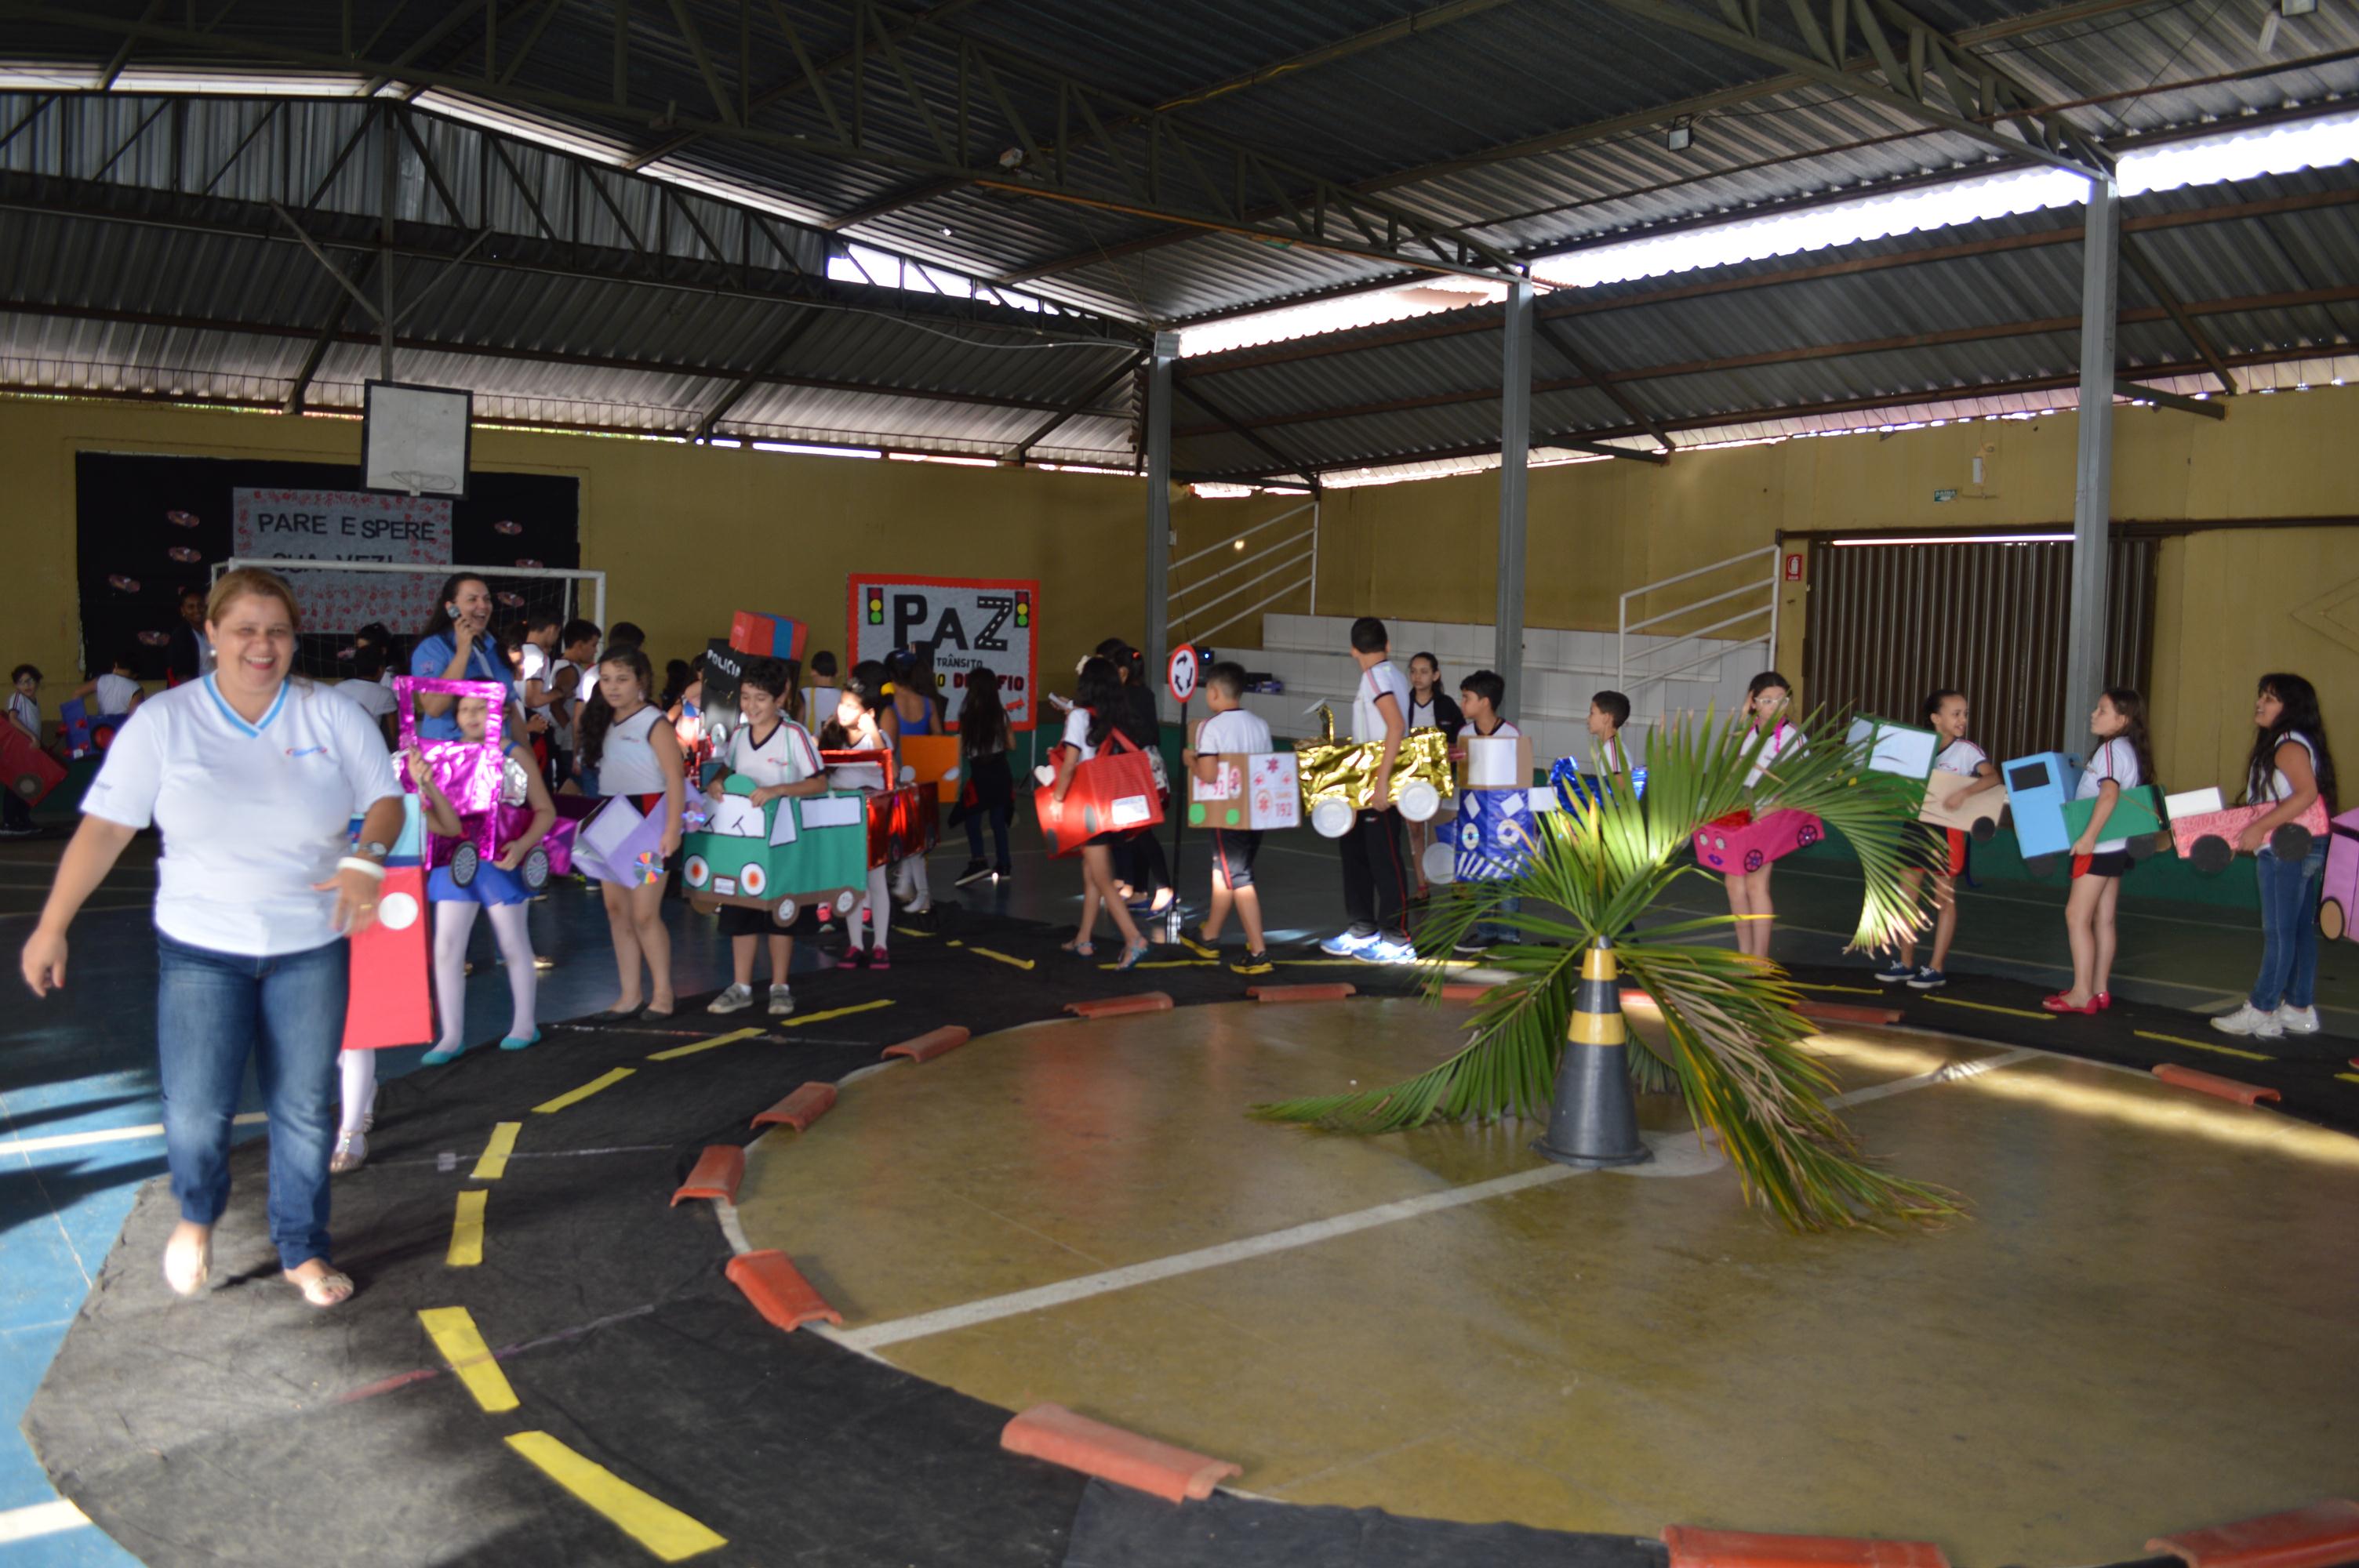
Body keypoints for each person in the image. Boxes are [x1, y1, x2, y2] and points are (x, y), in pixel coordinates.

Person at [21, 567, 404, 1309]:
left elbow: (384, 799)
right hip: (201, 949)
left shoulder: (330, 714)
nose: (262, 645)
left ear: (295, 638)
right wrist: (52, 925)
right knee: (198, 1108)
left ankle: (302, 1248)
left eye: (278, 631)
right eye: (245, 630)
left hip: (309, 946)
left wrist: (367, 858)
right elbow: (105, 829)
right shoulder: (165, 720)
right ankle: (196, 1218)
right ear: (212, 635)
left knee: (303, 1107)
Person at [2212, 673, 2336, 1040]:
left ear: (2291, 707)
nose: (2260, 703)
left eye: (2270, 698)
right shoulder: (2296, 743)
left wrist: (2259, 828)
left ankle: (2262, 1008)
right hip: (2303, 843)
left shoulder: (2287, 745)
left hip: (2285, 847)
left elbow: (2306, 794)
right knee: (2297, 931)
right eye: (2261, 696)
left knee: (2279, 932)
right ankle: (2298, 1008)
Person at [706, 657, 828, 1016]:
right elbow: (729, 768)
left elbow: (819, 783)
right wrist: (718, 782)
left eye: (760, 698)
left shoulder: (794, 736)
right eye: (746, 697)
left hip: (783, 843)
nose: (751, 705)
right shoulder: (740, 736)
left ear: (780, 698)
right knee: (740, 913)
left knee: (780, 916)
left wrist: (778, 790)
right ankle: (741, 986)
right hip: (742, 843)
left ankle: (779, 986)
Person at [577, 644, 685, 1018]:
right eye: (606, 679)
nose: (613, 686)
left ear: (641, 681)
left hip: (649, 823)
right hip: (612, 820)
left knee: (644, 913)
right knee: (616, 910)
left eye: (622, 679)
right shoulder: (601, 720)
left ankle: (664, 994)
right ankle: (629, 995)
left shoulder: (654, 722)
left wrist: (671, 829)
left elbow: (675, 777)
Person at [1876, 690, 1998, 991]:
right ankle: (1905, 963)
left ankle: (1936, 967)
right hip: (1915, 827)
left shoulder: (1967, 751)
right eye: (1956, 714)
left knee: (1944, 900)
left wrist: (1964, 793)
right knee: (1907, 898)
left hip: (1947, 831)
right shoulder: (1918, 747)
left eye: (1965, 713)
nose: (1963, 719)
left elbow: (1993, 777)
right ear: (1935, 718)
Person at [2043, 688, 2154, 1014]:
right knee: (2103, 919)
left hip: (2100, 845)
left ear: (2123, 719)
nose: (2094, 714)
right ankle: (2099, 989)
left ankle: (2081, 993)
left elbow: (2109, 795)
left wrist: (2088, 837)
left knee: (2076, 916)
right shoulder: (2129, 749)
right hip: (2117, 846)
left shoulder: (2111, 749)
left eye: (2102, 710)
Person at [1321, 616, 1415, 963]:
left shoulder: (1377, 677)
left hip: (1379, 782)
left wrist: (1382, 782)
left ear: (1353, 650)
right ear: (1387, 644)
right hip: (1363, 782)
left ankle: (1397, 938)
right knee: (1355, 852)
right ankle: (1362, 928)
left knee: (1384, 859)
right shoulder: (1392, 675)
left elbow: (1396, 726)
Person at [1055, 656, 1150, 970]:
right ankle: (1083, 938)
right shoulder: (1118, 717)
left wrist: (1057, 798)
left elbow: (1070, 765)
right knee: (1091, 873)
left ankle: (1133, 938)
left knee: (1103, 878)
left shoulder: (1080, 717)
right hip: (1113, 806)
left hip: (1089, 807)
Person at [1184, 661, 1273, 973]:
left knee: (1239, 878)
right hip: (1256, 811)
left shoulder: (1212, 727)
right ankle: (1209, 936)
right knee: (1224, 872)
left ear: (1213, 692)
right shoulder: (1260, 725)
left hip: (1226, 812)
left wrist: (1190, 758)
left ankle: (1259, 952)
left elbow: (1208, 774)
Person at [1724, 671, 1802, 961]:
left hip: (1770, 817)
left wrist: (1766, 811)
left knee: (1756, 884)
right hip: (1741, 815)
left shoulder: (1793, 736)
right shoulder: (1745, 731)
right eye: (1767, 700)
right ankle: (1745, 954)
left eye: (1781, 700)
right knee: (1734, 884)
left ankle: (1760, 959)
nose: (1775, 706)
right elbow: (1731, 771)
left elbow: (1798, 785)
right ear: (1753, 702)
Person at [1453, 669, 1528, 954]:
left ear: (1485, 702)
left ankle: (1509, 936)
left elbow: (1522, 782)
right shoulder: (1464, 734)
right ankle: (1486, 931)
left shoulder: (1512, 735)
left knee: (1507, 878)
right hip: (1475, 820)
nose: (1462, 703)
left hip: (1506, 820)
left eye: (1467, 698)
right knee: (1481, 876)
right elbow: (1463, 779)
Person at [833, 662, 900, 969]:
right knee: (851, 881)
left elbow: (890, 768)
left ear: (869, 713)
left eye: (851, 706)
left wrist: (874, 732)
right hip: (843, 816)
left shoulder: (878, 737)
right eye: (842, 704)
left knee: (876, 881)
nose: (843, 711)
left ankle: (881, 945)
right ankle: (855, 944)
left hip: (872, 819)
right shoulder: (833, 735)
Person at [411, 573, 523, 742]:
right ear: (452, 609)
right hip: (451, 754)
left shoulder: (494, 646)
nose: (483, 605)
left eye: (487, 599)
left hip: (496, 753)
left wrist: (527, 756)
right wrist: (463, 651)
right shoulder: (433, 648)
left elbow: (512, 712)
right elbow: (434, 707)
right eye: (472, 600)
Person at [1404, 652, 1464, 898]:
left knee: (1446, 830)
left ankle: (1455, 881)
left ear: (1435, 675)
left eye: (1424, 671)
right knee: (1415, 831)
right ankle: (1422, 885)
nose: (1417, 676)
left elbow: (1461, 738)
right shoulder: (1402, 703)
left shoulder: (1447, 705)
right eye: (1413, 671)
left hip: (1442, 779)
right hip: (1410, 780)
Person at [885, 648, 938, 917]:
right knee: (912, 836)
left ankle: (914, 888)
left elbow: (887, 744)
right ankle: (910, 886)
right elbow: (939, 740)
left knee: (906, 836)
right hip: (920, 775)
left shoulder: (889, 704)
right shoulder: (927, 703)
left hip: (897, 775)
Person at [951, 673, 1015, 887]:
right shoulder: (1001, 715)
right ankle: (1004, 865)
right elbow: (1012, 744)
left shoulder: (967, 716)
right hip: (1000, 770)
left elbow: (962, 749)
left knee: (972, 817)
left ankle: (978, 860)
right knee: (998, 820)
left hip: (980, 773)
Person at [547, 618, 600, 788]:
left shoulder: (568, 667)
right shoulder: (570, 671)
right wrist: (569, 729)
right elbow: (555, 704)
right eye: (593, 645)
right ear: (579, 645)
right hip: (569, 745)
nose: (596, 650)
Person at [4, 664, 43, 837]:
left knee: (28, 785)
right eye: (21, 682)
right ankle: (10, 822)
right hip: (19, 749)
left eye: (30, 681)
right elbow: (12, 718)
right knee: (16, 786)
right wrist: (31, 737)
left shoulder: (34, 701)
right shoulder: (18, 698)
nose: (26, 685)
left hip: (30, 750)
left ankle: (22, 819)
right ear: (16, 686)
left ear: (37, 682)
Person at [336, 643, 398, 743]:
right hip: (368, 746)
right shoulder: (385, 694)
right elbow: (393, 734)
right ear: (380, 669)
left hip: (337, 744)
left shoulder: (339, 687)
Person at [71, 652, 145, 720]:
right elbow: (134, 718)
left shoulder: (101, 680)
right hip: (121, 727)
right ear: (136, 674)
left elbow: (77, 693)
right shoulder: (136, 689)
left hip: (102, 726)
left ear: (116, 665)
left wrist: (79, 720)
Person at [164, 585, 212, 685]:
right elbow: (182, 675)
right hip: (197, 689)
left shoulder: (213, 630)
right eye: (191, 607)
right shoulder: (181, 636)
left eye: (200, 605)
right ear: (183, 611)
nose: (197, 610)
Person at [1589, 689, 1634, 775]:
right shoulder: (1610, 747)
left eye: (1592, 713)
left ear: (1606, 718)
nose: (1588, 718)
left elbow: (1618, 782)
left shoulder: (1612, 750)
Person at [807, 650, 841, 730]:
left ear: (813, 672)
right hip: (834, 736)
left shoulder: (806, 694)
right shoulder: (843, 695)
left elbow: (799, 722)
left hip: (809, 737)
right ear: (836, 673)